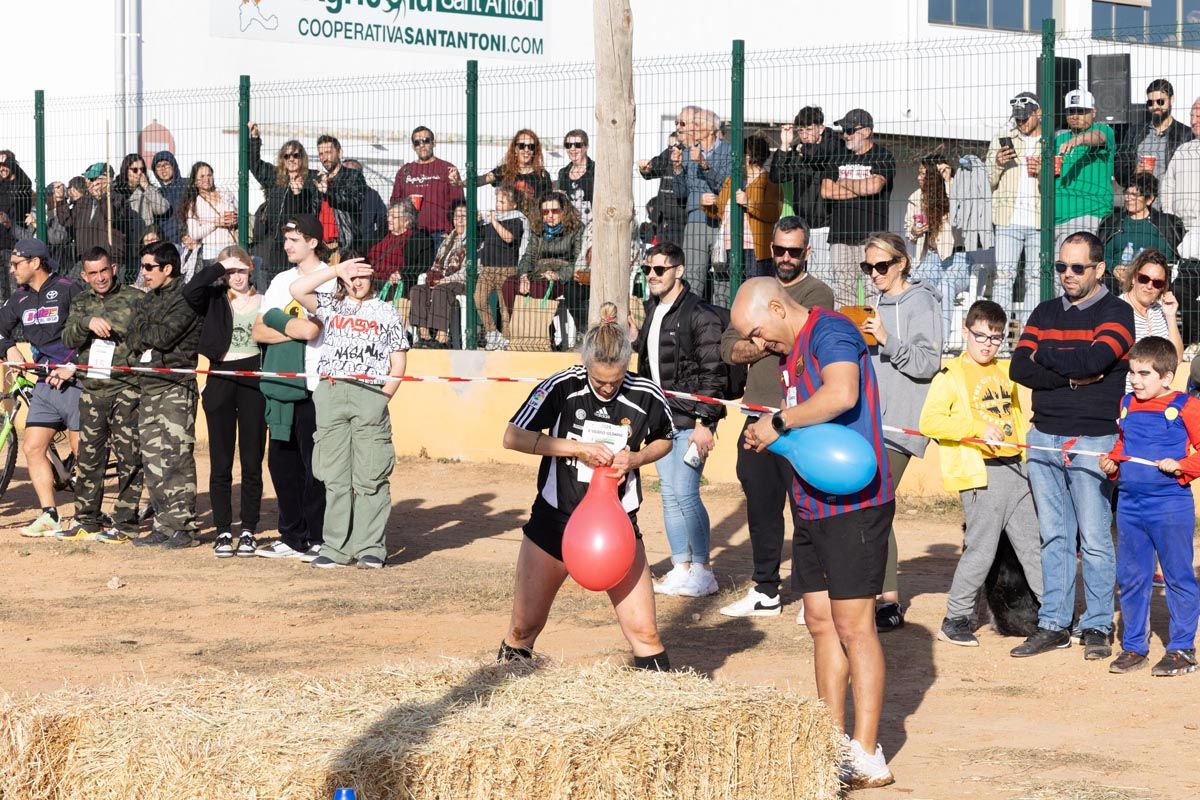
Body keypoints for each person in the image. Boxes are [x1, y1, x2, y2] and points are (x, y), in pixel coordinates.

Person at [734, 277, 895, 790]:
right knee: (821, 623)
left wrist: (776, 423)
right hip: (810, 503)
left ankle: (868, 753)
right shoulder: (790, 354)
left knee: (854, 626)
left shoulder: (831, 334)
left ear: (778, 307)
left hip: (855, 506)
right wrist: (770, 434)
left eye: (758, 332)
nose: (758, 345)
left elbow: (842, 394)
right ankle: (832, 743)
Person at [497, 304, 675, 670]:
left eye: (616, 379)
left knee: (645, 632)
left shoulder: (646, 394)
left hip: (618, 526)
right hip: (556, 521)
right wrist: (576, 448)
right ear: (586, 365)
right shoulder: (562, 386)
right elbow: (513, 436)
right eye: (599, 381)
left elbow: (666, 439)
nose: (608, 388)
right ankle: (504, 696)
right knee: (523, 626)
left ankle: (658, 708)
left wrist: (636, 459)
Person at [1009, 231, 1135, 659]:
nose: (1067, 275)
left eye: (1077, 268)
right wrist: (1068, 377)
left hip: (1093, 437)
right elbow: (1018, 368)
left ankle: (1097, 625)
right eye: (1061, 267)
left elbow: (1096, 361)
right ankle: (1054, 623)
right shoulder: (1044, 311)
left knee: (1096, 537)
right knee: (1054, 536)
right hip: (1042, 435)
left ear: (1099, 269)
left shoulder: (1118, 311)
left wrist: (1046, 356)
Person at [719, 216, 835, 620]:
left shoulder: (817, 292)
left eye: (795, 251)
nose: (786, 258)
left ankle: (813, 592)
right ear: (770, 250)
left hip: (798, 419)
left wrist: (759, 338)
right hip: (755, 415)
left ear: (807, 252)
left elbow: (801, 340)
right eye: (779, 250)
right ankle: (765, 589)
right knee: (761, 508)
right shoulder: (754, 289)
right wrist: (767, 340)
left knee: (807, 510)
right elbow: (729, 350)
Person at [920, 300, 1044, 647]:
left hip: (1016, 469)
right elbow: (929, 421)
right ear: (965, 331)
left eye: (996, 338)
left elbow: (1017, 417)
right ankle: (956, 618)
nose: (988, 344)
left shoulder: (1006, 372)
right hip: (981, 474)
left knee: (1033, 547)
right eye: (981, 336)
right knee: (981, 550)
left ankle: (1054, 615)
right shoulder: (950, 375)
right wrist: (975, 427)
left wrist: (1025, 454)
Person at [288, 257, 408, 569]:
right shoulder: (330, 305)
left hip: (370, 393)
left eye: (363, 277)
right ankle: (336, 548)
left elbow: (398, 362)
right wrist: (335, 270)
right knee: (334, 475)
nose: (357, 283)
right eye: (351, 277)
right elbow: (297, 288)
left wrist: (383, 398)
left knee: (370, 474)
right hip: (331, 392)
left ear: (373, 279)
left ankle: (370, 548)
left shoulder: (386, 311)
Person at [630, 242, 727, 598]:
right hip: (662, 419)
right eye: (647, 270)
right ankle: (681, 567)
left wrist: (706, 422)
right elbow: (652, 361)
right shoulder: (653, 309)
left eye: (660, 270)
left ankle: (702, 569)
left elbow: (713, 371)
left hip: (691, 419)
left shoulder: (698, 313)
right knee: (669, 495)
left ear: (679, 271)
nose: (652, 276)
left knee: (685, 493)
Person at [1100, 336, 1200, 677]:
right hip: (1129, 505)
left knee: (1178, 577)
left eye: (1144, 374)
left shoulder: (1186, 405)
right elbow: (1124, 443)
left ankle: (1183, 649)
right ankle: (1134, 647)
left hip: (1170, 505)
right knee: (1131, 578)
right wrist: (1113, 461)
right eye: (1132, 373)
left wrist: (1182, 466)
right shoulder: (1127, 402)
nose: (1136, 380)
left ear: (1167, 377)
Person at [859, 232, 943, 632]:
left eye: (881, 266)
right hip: (869, 420)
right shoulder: (874, 304)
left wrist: (887, 340)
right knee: (869, 506)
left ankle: (888, 600)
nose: (874, 273)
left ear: (902, 263)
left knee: (876, 505)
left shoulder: (921, 301)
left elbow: (927, 362)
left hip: (901, 425)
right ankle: (872, 594)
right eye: (868, 266)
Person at [252, 215, 331, 561]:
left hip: (316, 385)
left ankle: (316, 538)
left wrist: (281, 323)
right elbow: (258, 331)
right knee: (281, 464)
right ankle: (291, 535)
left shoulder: (328, 279)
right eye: (285, 240)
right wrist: (292, 327)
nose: (286, 246)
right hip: (281, 384)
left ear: (313, 242)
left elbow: (314, 331)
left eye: (294, 240)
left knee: (315, 466)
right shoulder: (281, 280)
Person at [183, 245, 265, 559]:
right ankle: (222, 530)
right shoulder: (215, 298)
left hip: (253, 378)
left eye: (241, 270)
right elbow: (191, 290)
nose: (236, 277)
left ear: (251, 269)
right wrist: (219, 268)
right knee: (220, 461)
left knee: (252, 459)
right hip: (219, 377)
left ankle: (248, 530)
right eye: (230, 272)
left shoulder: (264, 299)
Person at [58, 246, 145, 543]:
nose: (99, 278)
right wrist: (85, 323)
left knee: (129, 458)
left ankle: (125, 523)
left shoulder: (136, 299)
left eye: (103, 271)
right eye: (92, 273)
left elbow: (150, 339)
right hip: (92, 390)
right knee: (89, 459)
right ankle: (86, 519)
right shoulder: (81, 301)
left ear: (114, 268)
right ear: (84, 275)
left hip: (126, 389)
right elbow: (68, 337)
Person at [0, 238, 84, 537]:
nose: (12, 270)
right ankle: (49, 513)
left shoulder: (67, 288)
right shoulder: (19, 297)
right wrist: (8, 348)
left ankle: (88, 515)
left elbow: (90, 330)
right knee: (33, 447)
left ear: (35, 262)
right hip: (44, 381)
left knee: (81, 449)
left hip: (76, 378)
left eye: (16, 264)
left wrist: (71, 365)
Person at [125, 241, 204, 549]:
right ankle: (163, 524)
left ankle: (185, 527)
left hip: (175, 386)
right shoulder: (149, 299)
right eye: (143, 267)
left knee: (176, 457)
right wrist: (144, 333)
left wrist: (145, 333)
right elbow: (133, 337)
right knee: (153, 459)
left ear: (167, 269)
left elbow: (162, 336)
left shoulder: (185, 298)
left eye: (149, 267)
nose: (143, 273)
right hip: (149, 385)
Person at [640, 106, 732, 295]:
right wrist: (677, 168)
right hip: (696, 220)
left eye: (696, 124)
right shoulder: (688, 152)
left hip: (723, 221)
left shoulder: (728, 151)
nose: (691, 128)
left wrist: (704, 165)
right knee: (693, 278)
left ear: (711, 129)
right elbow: (681, 192)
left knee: (722, 279)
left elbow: (726, 184)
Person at [821, 109, 897, 308]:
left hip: (871, 237)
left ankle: (873, 336)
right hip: (840, 236)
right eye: (844, 130)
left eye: (850, 130)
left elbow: (874, 187)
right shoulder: (838, 156)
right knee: (844, 292)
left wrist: (843, 181)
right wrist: (861, 187)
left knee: (874, 290)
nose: (845, 135)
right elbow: (827, 190)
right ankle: (847, 334)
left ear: (866, 131)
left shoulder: (883, 156)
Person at [987, 92, 1044, 328]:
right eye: (1017, 118)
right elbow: (989, 180)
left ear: (1038, 113)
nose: (1021, 123)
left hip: (1039, 220)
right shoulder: (1002, 137)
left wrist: (1043, 170)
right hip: (1007, 219)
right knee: (1004, 279)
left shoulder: (1049, 141)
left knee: (1036, 280)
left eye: (1025, 117)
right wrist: (997, 162)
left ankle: (1029, 339)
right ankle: (997, 340)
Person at [769, 106, 839, 287]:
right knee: (804, 280)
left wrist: (803, 150)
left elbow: (823, 154)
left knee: (827, 280)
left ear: (821, 129)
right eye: (801, 130)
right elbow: (777, 176)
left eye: (809, 129)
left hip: (828, 227)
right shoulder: (798, 151)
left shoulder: (833, 144)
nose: (805, 135)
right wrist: (784, 146)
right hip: (805, 227)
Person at [247, 122, 321, 284]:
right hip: (276, 241)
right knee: (275, 284)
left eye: (296, 155)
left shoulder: (311, 178)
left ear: (302, 158)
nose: (291, 159)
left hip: (299, 240)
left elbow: (314, 207)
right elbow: (254, 164)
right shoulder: (275, 176)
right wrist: (254, 138)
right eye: (287, 156)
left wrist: (299, 193)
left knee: (297, 282)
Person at [702, 133, 781, 279]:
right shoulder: (732, 180)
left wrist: (748, 203)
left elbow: (773, 213)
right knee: (732, 292)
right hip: (730, 247)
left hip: (755, 249)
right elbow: (719, 212)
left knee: (755, 290)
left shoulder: (770, 183)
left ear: (749, 156)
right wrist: (707, 204)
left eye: (739, 154)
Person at [502, 191, 585, 324]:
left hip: (562, 278)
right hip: (538, 273)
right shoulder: (538, 229)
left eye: (555, 211)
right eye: (545, 212)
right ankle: (520, 330)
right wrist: (523, 276)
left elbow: (579, 261)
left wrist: (558, 274)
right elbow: (528, 256)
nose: (550, 216)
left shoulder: (577, 229)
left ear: (564, 211)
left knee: (538, 288)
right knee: (509, 284)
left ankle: (545, 336)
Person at [1054, 90, 1115, 253]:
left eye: (1081, 111)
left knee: (1075, 273)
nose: (1075, 116)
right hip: (1055, 218)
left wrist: (1078, 140)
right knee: (1055, 275)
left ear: (1093, 112)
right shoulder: (1058, 139)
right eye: (1071, 111)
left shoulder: (1104, 130)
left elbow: (1099, 137)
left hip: (1086, 214)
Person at [389, 127, 464, 251]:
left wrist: (452, 231)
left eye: (426, 140)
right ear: (413, 147)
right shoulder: (405, 171)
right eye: (417, 142)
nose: (422, 145)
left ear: (434, 143)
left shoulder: (447, 169)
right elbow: (395, 202)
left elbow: (459, 203)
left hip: (440, 235)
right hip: (411, 235)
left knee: (437, 271)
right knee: (413, 270)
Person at [1097, 173, 1183, 280]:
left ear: (1149, 199)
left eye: (1135, 195)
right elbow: (1103, 254)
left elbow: (1166, 258)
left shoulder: (1163, 225)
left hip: (1148, 281)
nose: (1128, 198)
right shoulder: (1113, 222)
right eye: (1127, 193)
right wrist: (1114, 268)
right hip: (1115, 282)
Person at [476, 184, 529, 351]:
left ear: (513, 205)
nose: (498, 205)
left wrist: (494, 221)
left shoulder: (516, 219)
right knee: (479, 299)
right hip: (487, 269)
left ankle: (506, 341)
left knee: (505, 308)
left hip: (506, 270)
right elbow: (481, 237)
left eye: (502, 202)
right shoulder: (491, 219)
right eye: (497, 201)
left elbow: (508, 238)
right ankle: (492, 333)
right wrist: (480, 222)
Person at [1116, 249, 1183, 381]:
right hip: (1128, 392)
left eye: (1157, 283)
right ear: (1134, 278)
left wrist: (1170, 316)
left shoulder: (1160, 310)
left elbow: (1177, 359)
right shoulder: (1118, 309)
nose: (1149, 286)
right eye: (1144, 279)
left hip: (1157, 393)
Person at [410, 198, 468, 346]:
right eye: (456, 217)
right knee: (418, 289)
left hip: (462, 282)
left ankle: (442, 337)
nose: (459, 220)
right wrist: (433, 276)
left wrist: (446, 280)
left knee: (441, 290)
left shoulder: (475, 239)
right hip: (443, 280)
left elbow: (469, 271)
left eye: (464, 217)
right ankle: (424, 336)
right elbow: (437, 263)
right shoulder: (448, 239)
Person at [1115, 78, 1194, 187]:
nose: (1155, 106)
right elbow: (1118, 166)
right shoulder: (1136, 132)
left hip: (1171, 201)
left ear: (1171, 100)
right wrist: (1133, 172)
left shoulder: (1186, 134)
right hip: (1141, 201)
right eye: (1150, 102)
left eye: (1160, 101)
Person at [179, 161, 238, 272]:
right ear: (195, 181)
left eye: (209, 175)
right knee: (216, 286)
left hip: (232, 246)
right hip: (212, 251)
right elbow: (194, 233)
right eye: (202, 176)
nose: (206, 179)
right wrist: (216, 223)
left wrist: (235, 219)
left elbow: (239, 212)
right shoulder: (193, 204)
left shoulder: (225, 192)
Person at [315, 134, 367, 259]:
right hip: (320, 247)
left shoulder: (353, 176)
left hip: (342, 245)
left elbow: (356, 203)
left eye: (328, 152)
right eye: (321, 154)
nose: (324, 158)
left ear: (339, 152)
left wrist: (328, 191)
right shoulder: (318, 179)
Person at [367, 201, 435, 292]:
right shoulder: (380, 233)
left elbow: (423, 266)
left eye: (394, 217)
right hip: (369, 279)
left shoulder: (420, 240)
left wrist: (401, 274)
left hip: (395, 284)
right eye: (388, 216)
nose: (389, 219)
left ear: (406, 221)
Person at [905, 155, 957, 268]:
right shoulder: (915, 198)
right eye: (919, 173)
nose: (919, 178)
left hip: (954, 256)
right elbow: (909, 232)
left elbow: (957, 213)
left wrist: (947, 182)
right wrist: (914, 231)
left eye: (923, 174)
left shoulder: (955, 191)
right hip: (928, 256)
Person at [478, 129, 553, 202]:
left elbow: (548, 202)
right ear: (515, 149)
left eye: (531, 146)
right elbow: (481, 180)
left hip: (532, 214)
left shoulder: (542, 175)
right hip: (508, 214)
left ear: (535, 151)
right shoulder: (505, 170)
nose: (526, 150)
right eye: (521, 146)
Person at [0, 151, 33, 300]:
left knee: (14, 286)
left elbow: (25, 182)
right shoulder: (1, 185)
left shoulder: (21, 185)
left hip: (13, 241)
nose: (2, 169)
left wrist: (11, 163)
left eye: (5, 165)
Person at [556, 129, 595, 224]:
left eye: (577, 145)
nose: (572, 149)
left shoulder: (596, 170)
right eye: (568, 145)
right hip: (570, 226)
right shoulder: (562, 173)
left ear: (586, 147)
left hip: (592, 226)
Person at [151, 151, 186, 244]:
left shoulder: (187, 185)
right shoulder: (157, 193)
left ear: (173, 165)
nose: (163, 169)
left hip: (188, 240)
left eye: (166, 164)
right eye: (158, 166)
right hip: (167, 243)